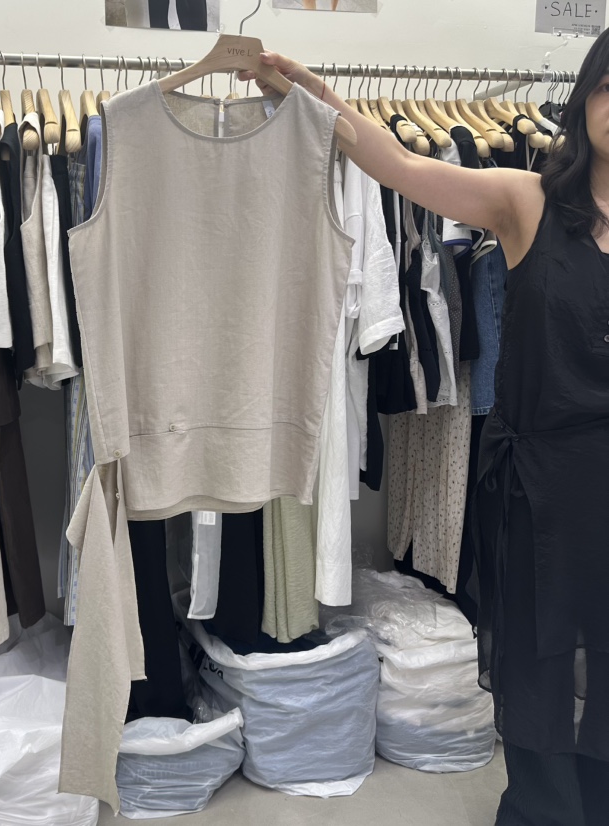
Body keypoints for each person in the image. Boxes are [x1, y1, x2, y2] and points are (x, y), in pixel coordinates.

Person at [242, 38, 609, 826]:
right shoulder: (528, 201)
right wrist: (311, 95)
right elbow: (401, 166)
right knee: (540, 667)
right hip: (540, 492)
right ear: (584, 99)